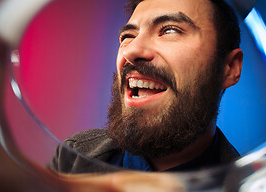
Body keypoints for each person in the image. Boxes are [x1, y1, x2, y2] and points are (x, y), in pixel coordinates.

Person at [51, 0, 244, 173]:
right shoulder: (72, 157)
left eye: (169, 30)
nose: (132, 50)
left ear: (229, 68)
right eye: (128, 35)